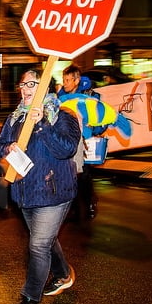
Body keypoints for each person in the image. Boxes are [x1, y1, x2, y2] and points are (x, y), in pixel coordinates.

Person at [0, 68, 81, 304]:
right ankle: (63, 275)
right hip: (25, 192)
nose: (25, 89)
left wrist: (41, 123)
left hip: (54, 192)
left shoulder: (63, 115)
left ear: (45, 88)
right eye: (22, 84)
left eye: (32, 84)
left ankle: (30, 300)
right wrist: (7, 147)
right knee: (46, 239)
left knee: (39, 244)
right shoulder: (15, 117)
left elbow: (66, 148)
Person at [57, 64, 100, 221]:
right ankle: (74, 208)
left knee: (84, 175)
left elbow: (100, 117)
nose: (65, 83)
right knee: (70, 175)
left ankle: (88, 203)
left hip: (85, 141)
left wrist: (93, 129)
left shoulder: (89, 96)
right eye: (64, 80)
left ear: (77, 80)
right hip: (68, 140)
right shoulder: (60, 96)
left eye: (68, 80)